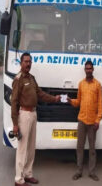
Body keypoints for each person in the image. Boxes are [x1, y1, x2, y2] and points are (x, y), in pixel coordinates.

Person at [11, 52, 61, 186]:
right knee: (22, 148)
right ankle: (18, 179)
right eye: (26, 61)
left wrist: (54, 99)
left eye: (30, 62)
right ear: (21, 63)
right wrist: (15, 124)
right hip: (24, 115)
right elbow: (14, 102)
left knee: (31, 147)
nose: (28, 64)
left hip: (33, 114)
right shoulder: (18, 79)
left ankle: (27, 174)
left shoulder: (32, 78)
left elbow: (40, 94)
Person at [68, 61, 102, 181]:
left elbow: (100, 104)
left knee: (92, 149)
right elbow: (78, 101)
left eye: (90, 68)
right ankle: (79, 171)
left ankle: (92, 172)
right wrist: (70, 101)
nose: (88, 70)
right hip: (82, 120)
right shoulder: (81, 84)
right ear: (85, 70)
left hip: (93, 122)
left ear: (93, 70)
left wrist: (98, 120)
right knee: (80, 147)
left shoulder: (97, 85)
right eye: (86, 69)